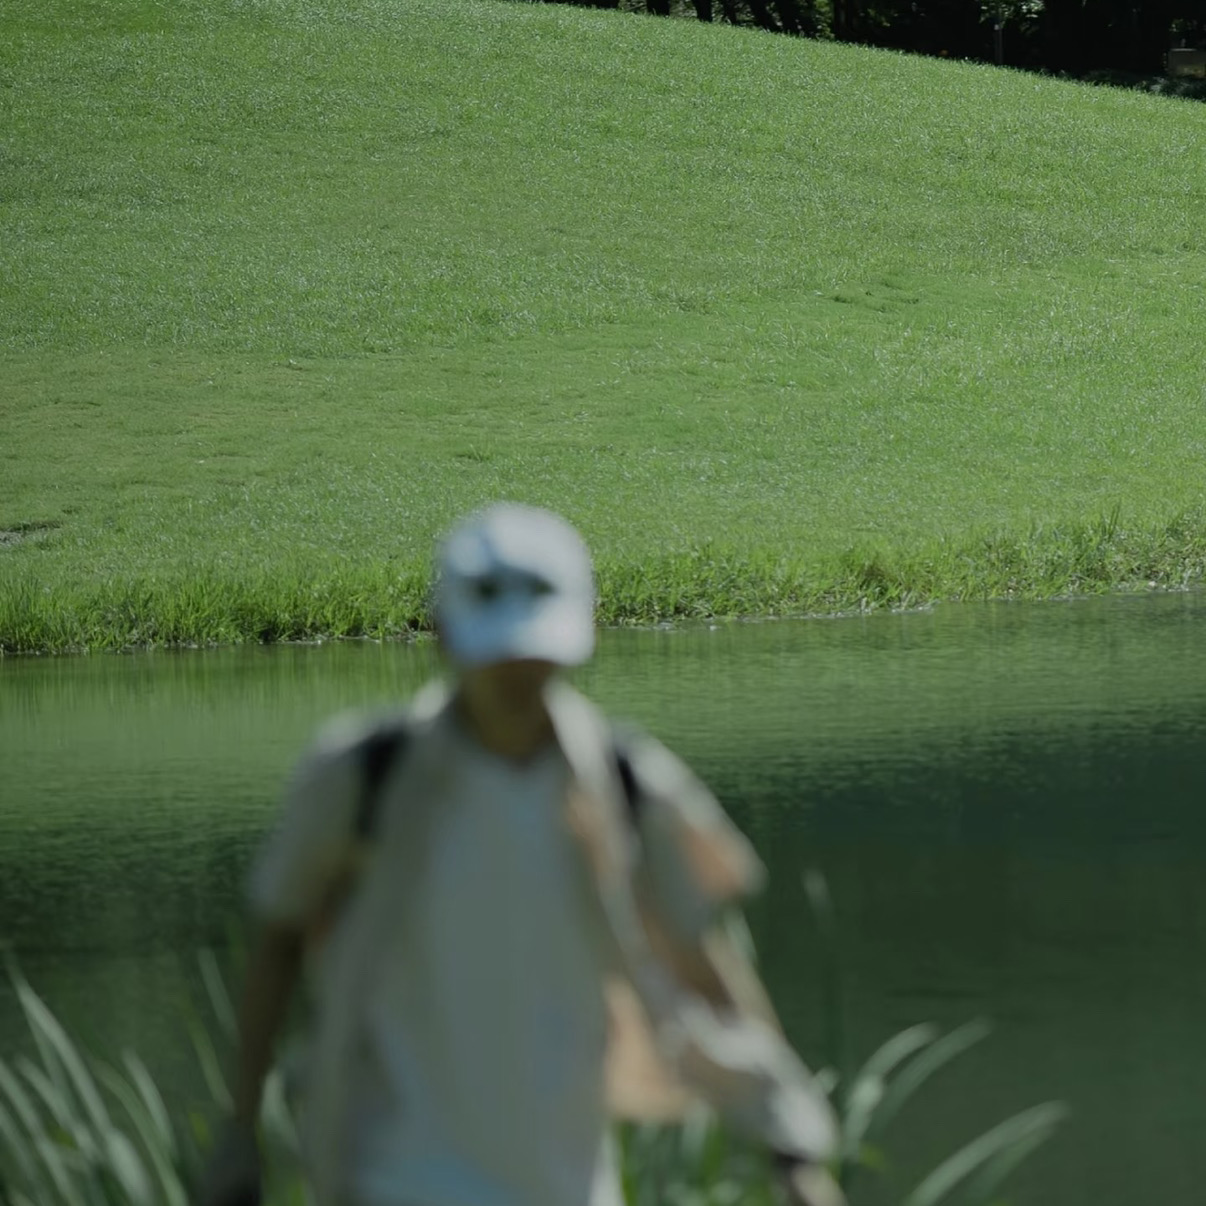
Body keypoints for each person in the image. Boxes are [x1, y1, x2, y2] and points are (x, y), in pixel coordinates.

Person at [199, 503, 842, 1206]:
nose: (517, 675)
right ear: (442, 635)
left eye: (535, 655)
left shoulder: (629, 787)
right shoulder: (362, 779)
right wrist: (240, 1131)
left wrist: (791, 1141)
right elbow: (279, 943)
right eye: (497, 654)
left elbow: (704, 963)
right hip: (393, 1181)